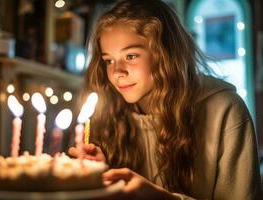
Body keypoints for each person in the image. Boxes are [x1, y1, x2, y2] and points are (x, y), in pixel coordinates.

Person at [68, 0, 262, 199]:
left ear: (166, 54)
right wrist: (101, 178)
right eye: (109, 60)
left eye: (131, 55)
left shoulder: (225, 111)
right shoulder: (108, 115)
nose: (117, 72)